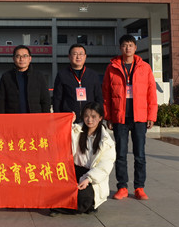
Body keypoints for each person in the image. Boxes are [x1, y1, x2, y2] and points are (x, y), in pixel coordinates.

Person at [103, 34, 157, 200]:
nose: (128, 48)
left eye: (131, 45)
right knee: (120, 154)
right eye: (125, 45)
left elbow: (151, 93)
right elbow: (106, 94)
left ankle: (139, 187)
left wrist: (151, 115)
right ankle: (122, 187)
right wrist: (108, 116)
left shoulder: (144, 67)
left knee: (140, 154)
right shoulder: (112, 67)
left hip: (139, 117)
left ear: (135, 48)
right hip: (120, 117)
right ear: (120, 48)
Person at [50, 102, 116, 216]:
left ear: (100, 118)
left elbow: (104, 166)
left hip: (91, 176)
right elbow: (61, 138)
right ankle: (60, 206)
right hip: (73, 171)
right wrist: (68, 123)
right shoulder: (76, 130)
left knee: (83, 198)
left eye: (93, 116)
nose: (89, 120)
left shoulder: (106, 141)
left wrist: (88, 179)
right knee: (54, 189)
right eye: (86, 116)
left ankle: (61, 207)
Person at [52, 44, 102, 122]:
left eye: (81, 54)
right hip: (69, 118)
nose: (78, 57)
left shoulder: (93, 75)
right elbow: (57, 98)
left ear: (85, 56)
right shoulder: (62, 75)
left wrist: (99, 116)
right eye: (75, 54)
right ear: (69, 56)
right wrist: (58, 117)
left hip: (90, 119)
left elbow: (99, 98)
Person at [0, 45, 51, 113]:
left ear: (30, 59)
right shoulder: (6, 77)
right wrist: (1, 117)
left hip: (34, 117)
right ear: (13, 59)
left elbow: (45, 100)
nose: (21, 59)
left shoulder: (39, 76)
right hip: (13, 117)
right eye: (18, 56)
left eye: (25, 56)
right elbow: (1, 101)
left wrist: (45, 116)